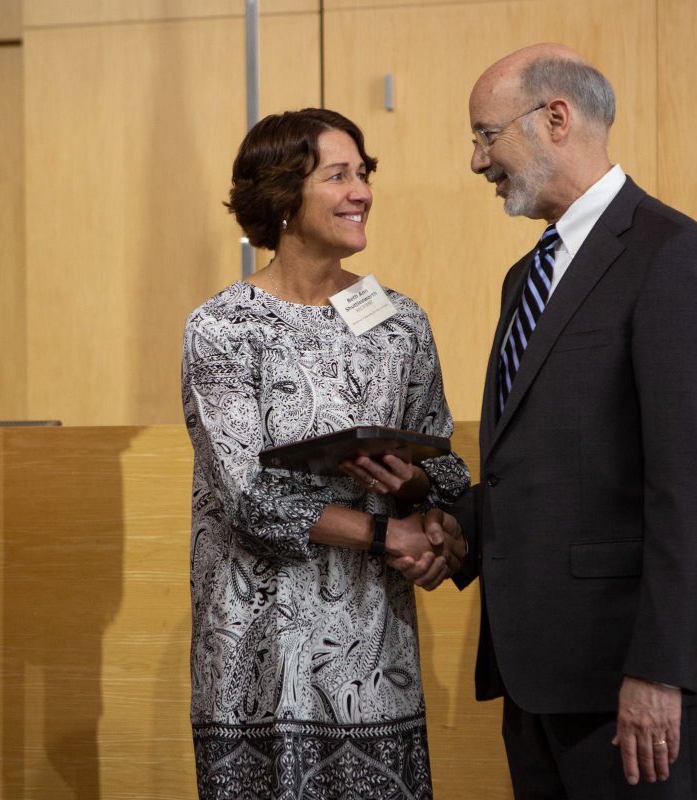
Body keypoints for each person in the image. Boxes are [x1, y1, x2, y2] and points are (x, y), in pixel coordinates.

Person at [449, 44, 697, 799]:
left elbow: (694, 485)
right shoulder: (525, 278)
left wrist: (659, 669)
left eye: (486, 135)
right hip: (537, 682)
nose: (476, 162)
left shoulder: (670, 255)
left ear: (555, 118)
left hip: (633, 683)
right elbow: (545, 471)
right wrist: (450, 525)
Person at [181, 107, 469, 799]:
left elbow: (447, 467)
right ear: (282, 196)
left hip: (374, 652)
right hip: (258, 659)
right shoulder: (221, 327)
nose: (361, 191)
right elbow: (250, 499)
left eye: (363, 173)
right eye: (338, 175)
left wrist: (424, 510)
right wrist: (387, 533)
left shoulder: (400, 322)